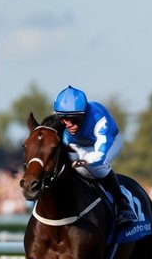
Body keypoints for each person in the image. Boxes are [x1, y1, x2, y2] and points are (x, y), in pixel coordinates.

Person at [52, 85, 136, 227]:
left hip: (108, 142)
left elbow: (99, 155)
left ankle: (123, 204)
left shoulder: (98, 118)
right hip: (79, 145)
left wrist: (83, 161)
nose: (69, 124)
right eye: (64, 119)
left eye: (74, 119)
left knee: (96, 167)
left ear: (83, 114)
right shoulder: (60, 122)